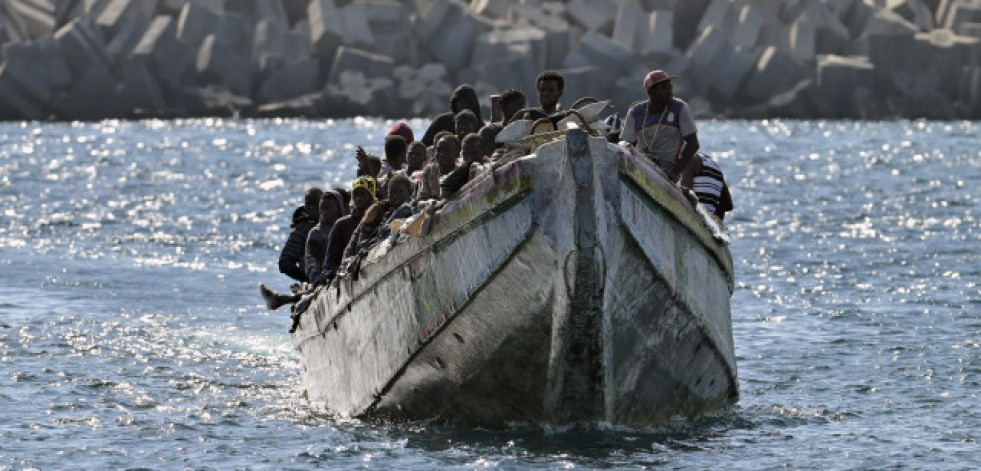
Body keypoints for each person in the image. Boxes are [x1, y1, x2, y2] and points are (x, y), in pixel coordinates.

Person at [619, 69, 699, 183]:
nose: (670, 92)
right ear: (651, 92)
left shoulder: (679, 108)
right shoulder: (635, 113)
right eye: (665, 88)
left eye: (670, 87)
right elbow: (625, 145)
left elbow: (693, 144)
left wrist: (675, 172)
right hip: (642, 164)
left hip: (667, 169)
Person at [321, 176, 376, 282]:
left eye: (362, 194)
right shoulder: (341, 225)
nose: (358, 198)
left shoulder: (380, 218)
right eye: (356, 194)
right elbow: (328, 265)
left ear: (371, 196)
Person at [278, 186, 322, 283]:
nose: (311, 207)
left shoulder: (337, 223)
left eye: (315, 204)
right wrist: (306, 279)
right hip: (314, 281)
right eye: (308, 204)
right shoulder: (302, 229)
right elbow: (285, 263)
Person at [304, 189, 347, 284]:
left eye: (328, 208)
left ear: (339, 208)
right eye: (322, 209)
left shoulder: (347, 225)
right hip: (325, 278)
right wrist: (318, 281)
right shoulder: (316, 234)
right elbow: (312, 262)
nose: (324, 212)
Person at [421, 84, 485, 146]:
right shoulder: (442, 122)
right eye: (460, 102)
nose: (463, 106)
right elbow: (424, 145)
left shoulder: (481, 128)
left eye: (466, 102)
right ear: (455, 104)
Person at [440, 133, 486, 199]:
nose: (469, 158)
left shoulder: (489, 166)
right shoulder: (457, 171)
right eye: (465, 154)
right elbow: (445, 191)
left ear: (483, 152)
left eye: (474, 153)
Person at [417, 134, 460, 201]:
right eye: (439, 150)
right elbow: (421, 200)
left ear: (457, 154)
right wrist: (430, 203)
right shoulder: (429, 170)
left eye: (447, 151)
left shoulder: (461, 173)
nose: (442, 154)